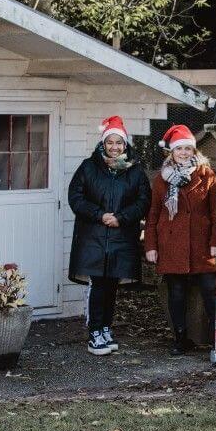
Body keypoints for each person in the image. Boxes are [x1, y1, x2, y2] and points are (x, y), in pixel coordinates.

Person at [68, 116, 151, 356]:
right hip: (93, 236)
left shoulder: (135, 171)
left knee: (112, 284)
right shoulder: (88, 167)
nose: (114, 147)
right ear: (103, 143)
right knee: (98, 284)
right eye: (110, 142)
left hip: (120, 237)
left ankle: (105, 328)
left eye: (119, 143)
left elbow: (144, 200)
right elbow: (76, 197)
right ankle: (94, 332)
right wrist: (100, 215)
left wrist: (121, 217)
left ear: (125, 145)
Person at [144, 124, 216, 355]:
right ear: (172, 152)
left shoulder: (207, 175)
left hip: (201, 244)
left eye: (188, 149)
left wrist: (215, 242)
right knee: (176, 293)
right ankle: (180, 338)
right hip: (172, 244)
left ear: (194, 151)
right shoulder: (161, 179)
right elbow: (153, 214)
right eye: (180, 149)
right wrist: (151, 246)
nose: (184, 153)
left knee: (210, 290)